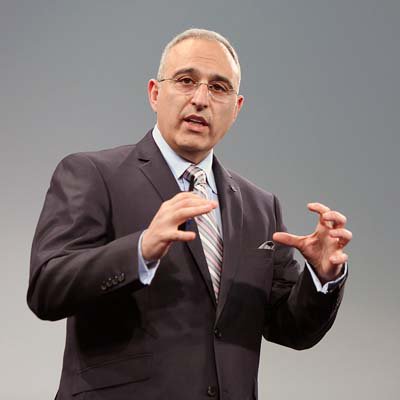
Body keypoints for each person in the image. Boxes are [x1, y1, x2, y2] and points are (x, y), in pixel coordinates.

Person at [28, 28, 352, 400]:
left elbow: (292, 328)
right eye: (186, 81)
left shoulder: (261, 207)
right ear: (154, 93)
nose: (200, 99)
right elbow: (47, 288)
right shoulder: (93, 175)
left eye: (218, 88)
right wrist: (140, 250)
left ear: (236, 108)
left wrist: (322, 278)